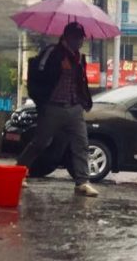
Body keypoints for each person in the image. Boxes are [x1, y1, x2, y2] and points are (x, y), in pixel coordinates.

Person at [18, 22, 99, 197]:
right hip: (53, 107)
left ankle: (82, 182)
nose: (80, 41)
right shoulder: (52, 53)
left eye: (81, 38)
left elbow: (81, 82)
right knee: (40, 142)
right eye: (77, 38)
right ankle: (19, 172)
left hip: (74, 108)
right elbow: (37, 76)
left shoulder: (79, 58)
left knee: (81, 144)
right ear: (67, 37)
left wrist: (84, 100)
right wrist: (42, 102)